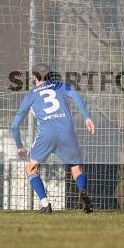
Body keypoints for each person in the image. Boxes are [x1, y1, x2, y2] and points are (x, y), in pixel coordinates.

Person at [11, 64, 96, 214]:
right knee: (76, 168)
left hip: (46, 134)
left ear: (35, 77)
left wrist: (19, 146)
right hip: (67, 132)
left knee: (31, 168)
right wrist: (87, 118)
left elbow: (14, 126)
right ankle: (82, 192)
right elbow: (75, 95)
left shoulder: (31, 95)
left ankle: (45, 205)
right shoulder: (62, 86)